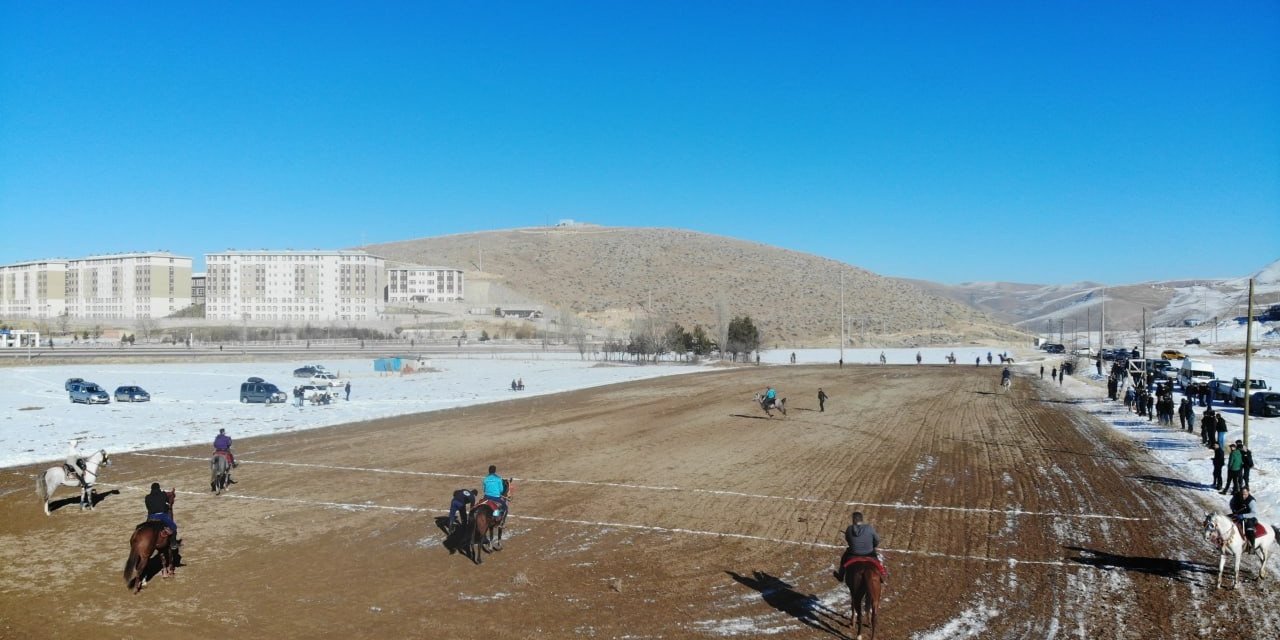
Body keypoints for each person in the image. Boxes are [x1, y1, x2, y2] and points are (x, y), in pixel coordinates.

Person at [833, 511, 885, 583]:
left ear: (853, 520)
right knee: (877, 561)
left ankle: (840, 576)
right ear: (862, 519)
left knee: (843, 559)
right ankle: (881, 576)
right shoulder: (869, 528)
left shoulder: (849, 529)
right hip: (869, 552)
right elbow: (877, 540)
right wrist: (873, 546)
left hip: (853, 553)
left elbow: (848, 540)